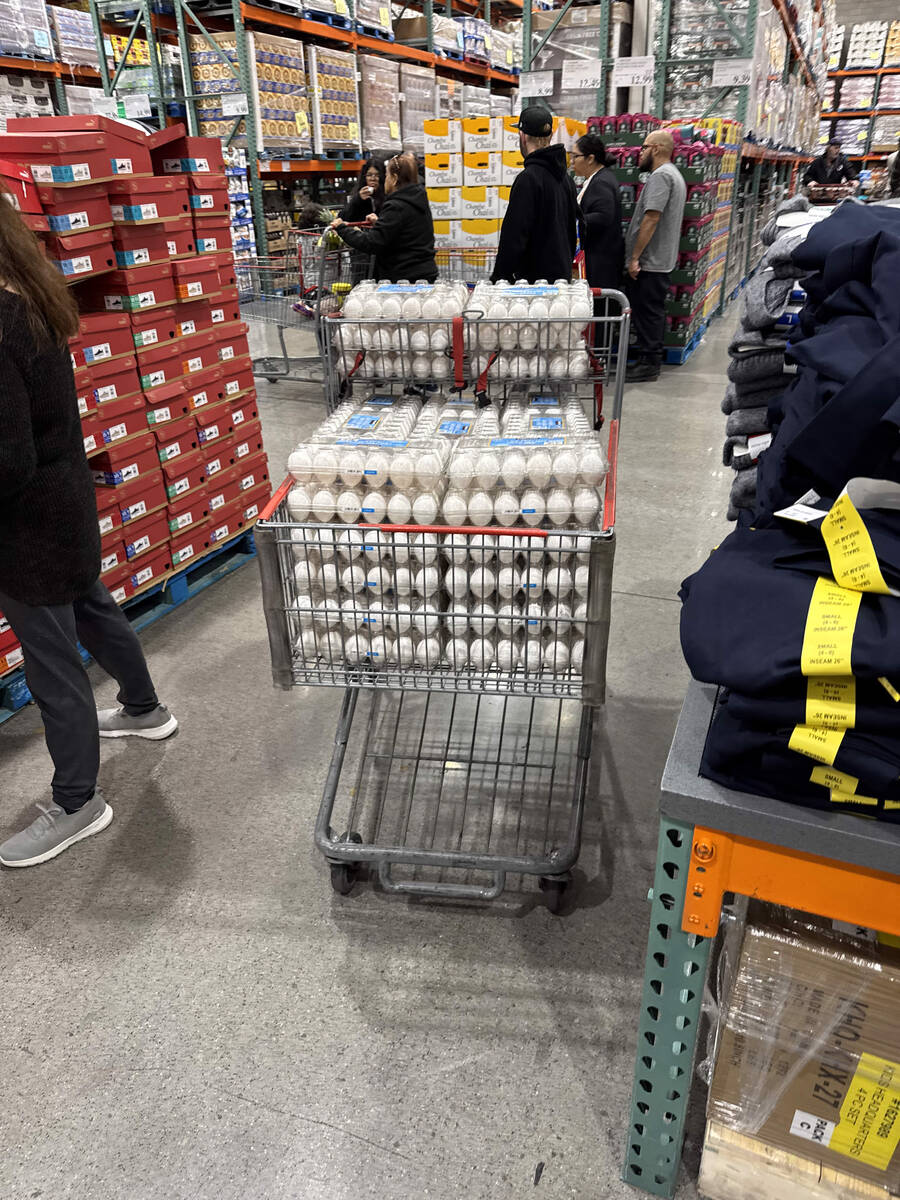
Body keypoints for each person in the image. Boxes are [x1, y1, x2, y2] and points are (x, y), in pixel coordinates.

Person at [0, 198, 176, 869]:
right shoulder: (31, 293)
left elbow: (7, 458)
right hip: (65, 504)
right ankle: (144, 708)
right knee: (94, 608)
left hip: (26, 528)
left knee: (51, 663)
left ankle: (77, 803)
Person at [623, 129, 687, 383]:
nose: (640, 152)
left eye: (644, 147)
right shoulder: (675, 175)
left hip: (651, 261)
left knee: (648, 312)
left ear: (657, 149)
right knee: (652, 311)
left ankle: (649, 364)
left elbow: (651, 217)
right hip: (661, 259)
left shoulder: (661, 176)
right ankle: (647, 360)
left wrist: (635, 257)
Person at [490, 105, 578, 284]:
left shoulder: (528, 179)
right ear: (551, 136)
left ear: (522, 137)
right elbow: (573, 230)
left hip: (533, 286)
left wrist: (499, 279)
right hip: (561, 280)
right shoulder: (566, 179)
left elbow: (514, 237)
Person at [331, 152, 437, 283]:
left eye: (386, 175)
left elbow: (372, 242)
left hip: (404, 279)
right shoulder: (418, 198)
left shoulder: (395, 205)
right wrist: (380, 223)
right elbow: (405, 231)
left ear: (394, 178)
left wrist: (342, 228)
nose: (384, 180)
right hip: (424, 273)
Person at [571, 131, 624, 290]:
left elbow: (603, 216)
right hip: (599, 260)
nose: (572, 162)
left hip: (600, 265)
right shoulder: (598, 178)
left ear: (590, 158)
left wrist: (571, 221)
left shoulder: (601, 182)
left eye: (575, 156)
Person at [339, 156, 386, 222]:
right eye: (369, 175)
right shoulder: (357, 195)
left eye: (377, 175)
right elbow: (343, 218)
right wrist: (357, 199)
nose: (373, 179)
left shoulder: (388, 196)